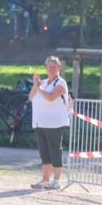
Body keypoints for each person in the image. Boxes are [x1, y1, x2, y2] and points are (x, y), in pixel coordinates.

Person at [28, 56, 69, 190]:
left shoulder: (60, 83)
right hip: (40, 123)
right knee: (44, 153)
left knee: (55, 151)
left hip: (54, 123)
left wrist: (39, 88)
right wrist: (36, 84)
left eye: (54, 66)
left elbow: (51, 97)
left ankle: (56, 180)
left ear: (59, 67)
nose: (51, 69)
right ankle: (45, 180)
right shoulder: (44, 83)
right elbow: (31, 97)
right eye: (49, 66)